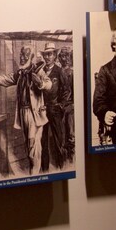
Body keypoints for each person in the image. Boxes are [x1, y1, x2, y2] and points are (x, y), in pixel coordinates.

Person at [0, 45, 51, 175]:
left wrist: (42, 84)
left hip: (34, 114)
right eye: (21, 55)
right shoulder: (20, 73)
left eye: (26, 55)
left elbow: (48, 83)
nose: (22, 57)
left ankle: (35, 174)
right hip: (23, 113)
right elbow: (7, 79)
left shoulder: (38, 71)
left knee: (34, 144)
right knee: (28, 143)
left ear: (31, 57)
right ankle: (34, 171)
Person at [39, 42, 69, 171]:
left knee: (58, 141)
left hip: (55, 110)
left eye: (50, 54)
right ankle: (44, 170)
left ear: (55, 56)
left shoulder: (60, 71)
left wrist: (60, 106)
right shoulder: (40, 71)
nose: (47, 57)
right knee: (43, 141)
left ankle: (61, 168)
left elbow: (67, 91)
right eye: (46, 55)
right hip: (42, 110)